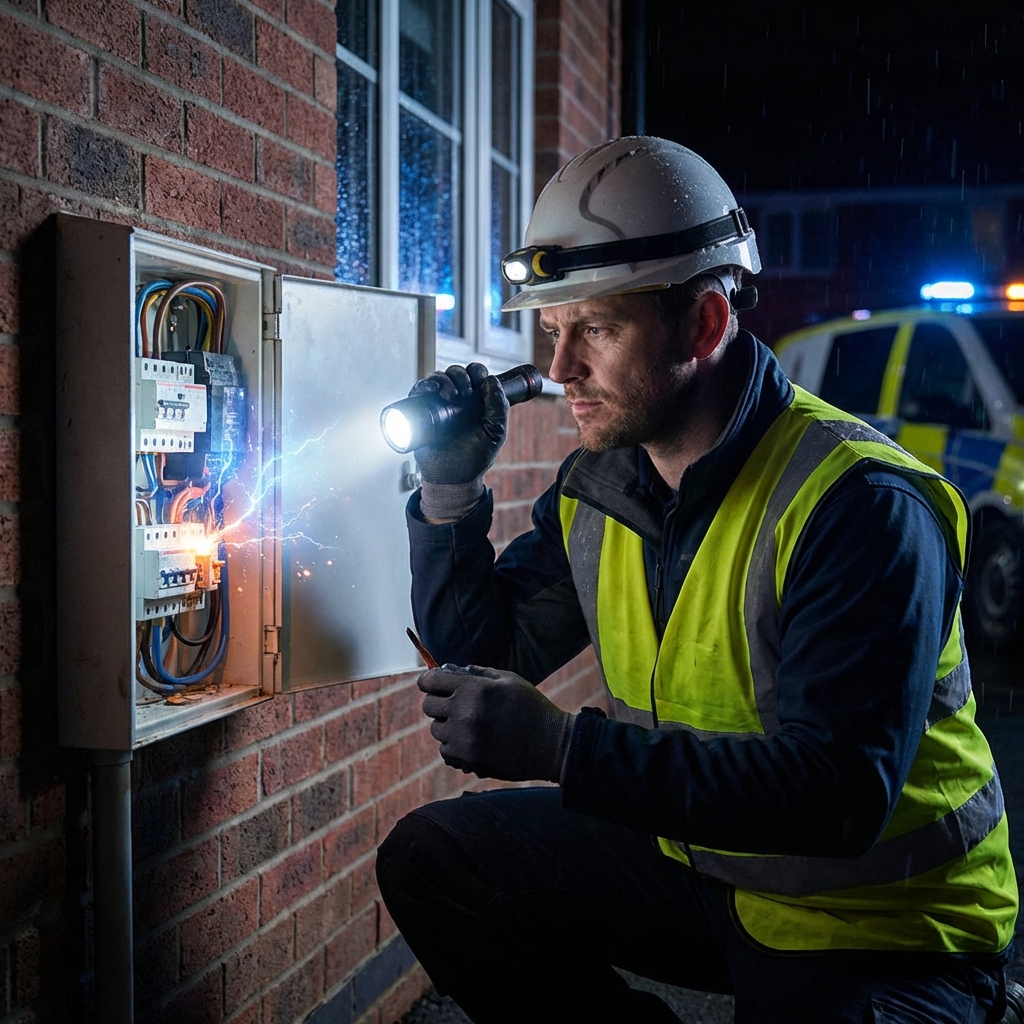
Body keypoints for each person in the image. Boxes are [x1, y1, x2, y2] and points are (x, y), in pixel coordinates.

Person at [375, 137, 1017, 1024]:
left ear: (705, 326)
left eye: (596, 330)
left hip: (881, 926)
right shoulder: (601, 488)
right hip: (702, 867)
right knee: (435, 859)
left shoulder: (859, 504)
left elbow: (837, 798)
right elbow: (488, 653)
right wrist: (449, 490)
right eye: (553, 332)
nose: (561, 371)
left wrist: (564, 750)